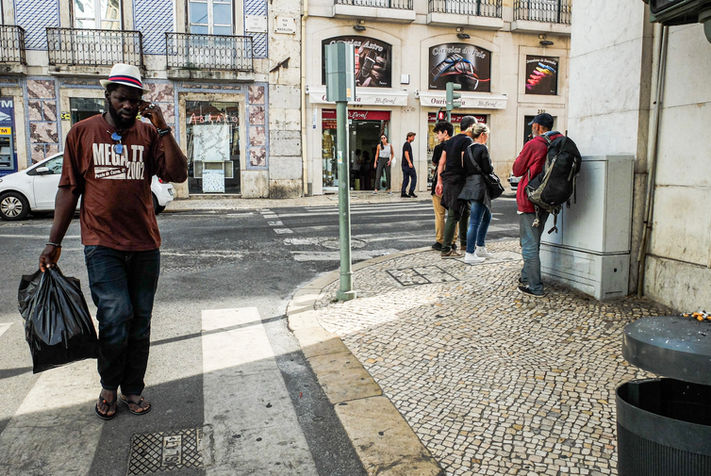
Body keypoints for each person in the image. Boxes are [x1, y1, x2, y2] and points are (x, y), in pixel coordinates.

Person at [38, 63, 188, 419]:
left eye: (135, 100)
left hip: (145, 244)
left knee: (140, 319)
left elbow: (178, 173)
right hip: (101, 243)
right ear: (107, 96)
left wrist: (162, 126)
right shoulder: (82, 133)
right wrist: (53, 241)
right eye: (122, 98)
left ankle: (132, 388)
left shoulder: (150, 135)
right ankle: (109, 383)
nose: (128, 106)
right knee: (115, 313)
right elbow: (68, 189)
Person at [512, 113, 562, 297]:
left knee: (529, 244)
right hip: (548, 200)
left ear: (538, 127)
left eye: (533, 125)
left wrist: (523, 152)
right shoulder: (561, 141)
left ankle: (535, 287)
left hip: (531, 199)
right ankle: (526, 277)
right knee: (534, 241)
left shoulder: (534, 144)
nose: (532, 128)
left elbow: (517, 170)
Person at [434, 116, 478, 258]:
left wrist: (439, 181)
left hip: (449, 180)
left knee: (465, 212)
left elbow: (441, 162)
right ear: (471, 127)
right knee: (454, 214)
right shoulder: (467, 141)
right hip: (460, 181)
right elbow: (465, 161)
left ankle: (464, 244)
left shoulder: (451, 141)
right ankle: (446, 249)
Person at [460, 123, 494, 264]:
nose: (487, 138)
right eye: (487, 135)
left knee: (487, 216)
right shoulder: (482, 148)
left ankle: (480, 247)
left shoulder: (468, 149)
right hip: (480, 187)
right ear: (482, 135)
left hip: (470, 185)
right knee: (474, 221)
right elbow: (488, 169)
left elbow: (465, 167)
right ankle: (470, 252)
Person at [430, 121, 454, 251]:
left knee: (439, 214)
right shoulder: (457, 145)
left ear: (445, 132)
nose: (437, 136)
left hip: (440, 183)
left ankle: (440, 240)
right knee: (453, 213)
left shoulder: (440, 148)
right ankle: (453, 240)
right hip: (453, 184)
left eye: (438, 133)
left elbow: (435, 163)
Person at [401, 132, 417, 198]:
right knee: (414, 177)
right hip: (407, 165)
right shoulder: (407, 144)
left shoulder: (407, 144)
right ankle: (411, 192)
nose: (413, 138)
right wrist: (409, 162)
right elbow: (406, 153)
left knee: (406, 179)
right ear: (409, 137)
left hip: (404, 165)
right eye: (413, 137)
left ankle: (403, 192)